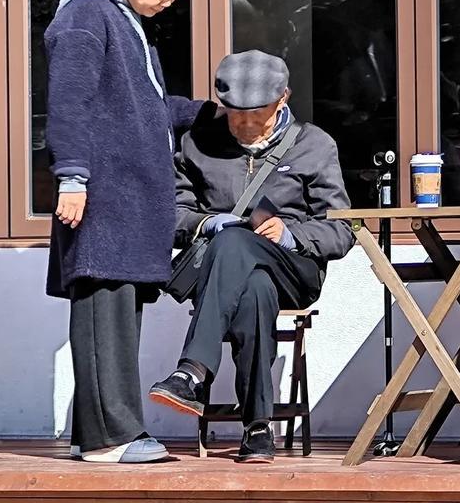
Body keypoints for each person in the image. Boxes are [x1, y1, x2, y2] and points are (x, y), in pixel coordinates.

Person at [44, 0, 207, 464]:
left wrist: (213, 113)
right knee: (102, 315)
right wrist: (72, 176)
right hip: (103, 195)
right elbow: (70, 101)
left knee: (116, 318)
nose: (167, 2)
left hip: (129, 197)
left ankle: (94, 434)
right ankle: (110, 438)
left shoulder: (126, 20)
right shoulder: (87, 14)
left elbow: (146, 111)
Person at [149, 50, 354, 464]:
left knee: (238, 247)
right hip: (231, 274)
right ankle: (258, 429)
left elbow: (342, 229)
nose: (241, 124)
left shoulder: (314, 145)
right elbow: (171, 214)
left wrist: (291, 233)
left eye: (253, 114)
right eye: (232, 113)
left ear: (282, 100)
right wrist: (207, 224)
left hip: (294, 269)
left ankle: (191, 372)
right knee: (252, 285)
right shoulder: (198, 144)